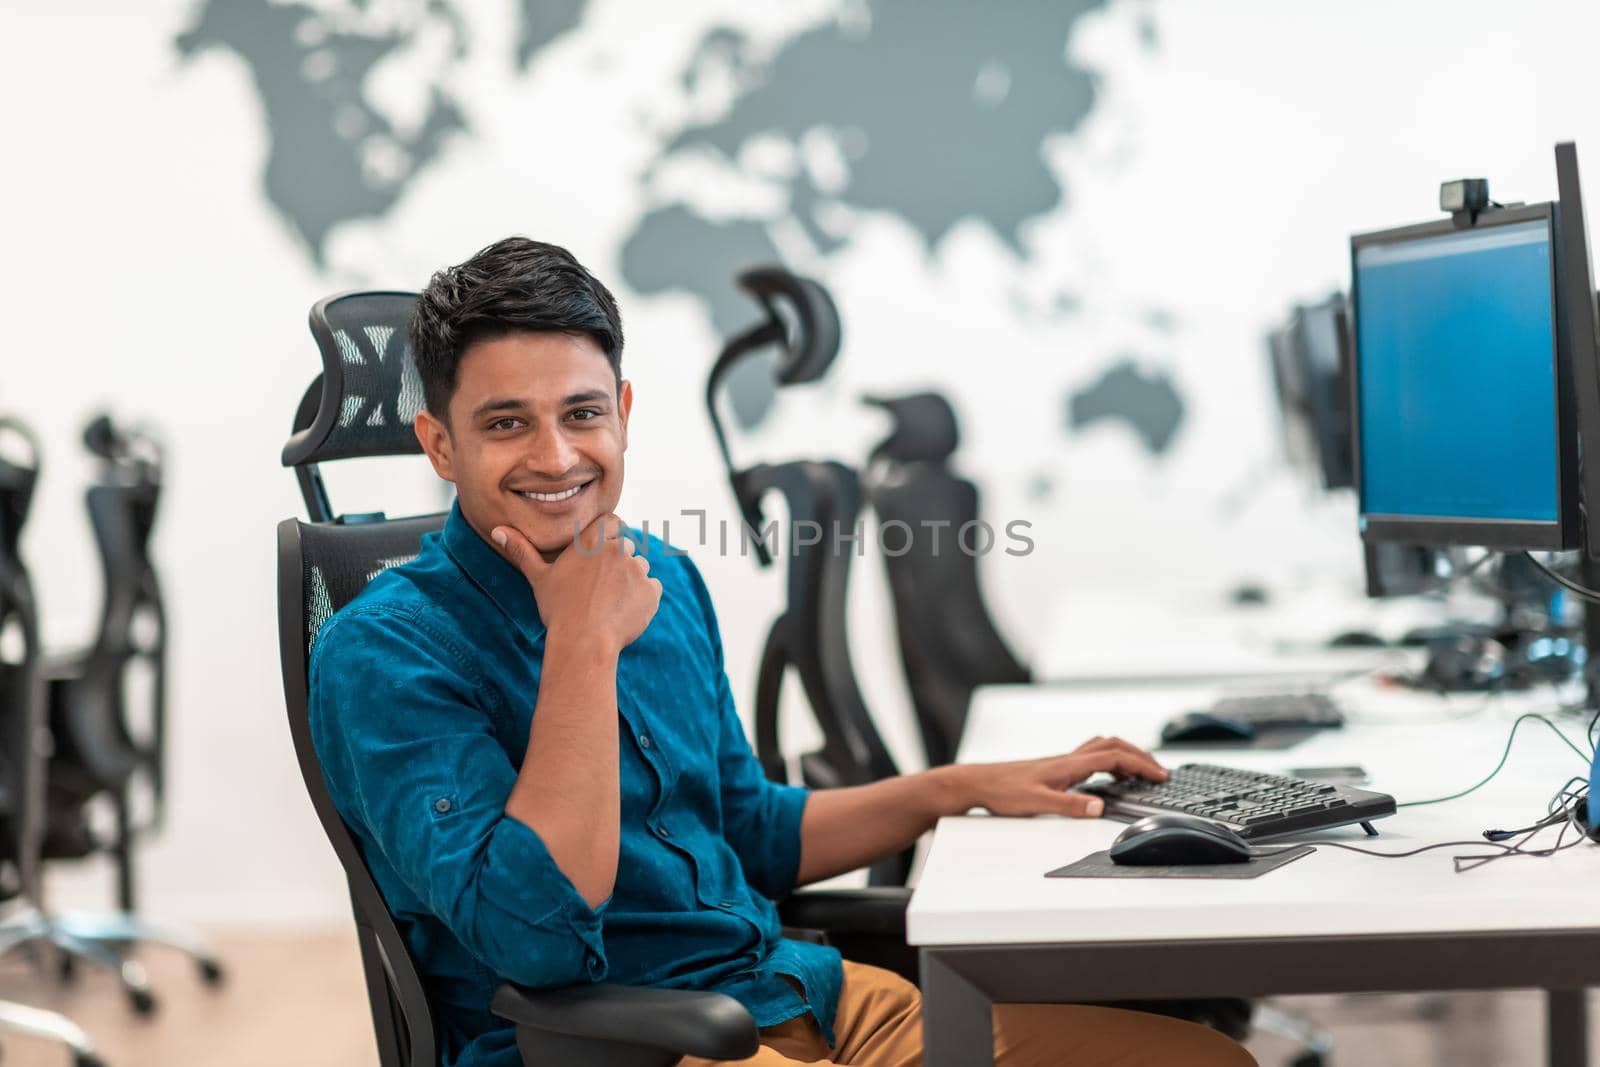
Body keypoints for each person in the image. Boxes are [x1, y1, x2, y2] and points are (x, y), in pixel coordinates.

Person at [309, 237, 1256, 1067]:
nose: (557, 457)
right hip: (633, 1046)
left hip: (806, 999)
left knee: (1203, 1058)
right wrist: (581, 644)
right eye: (506, 422)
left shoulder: (667, 580)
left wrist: (957, 785)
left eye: (583, 413)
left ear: (626, 412)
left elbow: (749, 828)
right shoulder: (383, 652)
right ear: (439, 442)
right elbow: (536, 936)